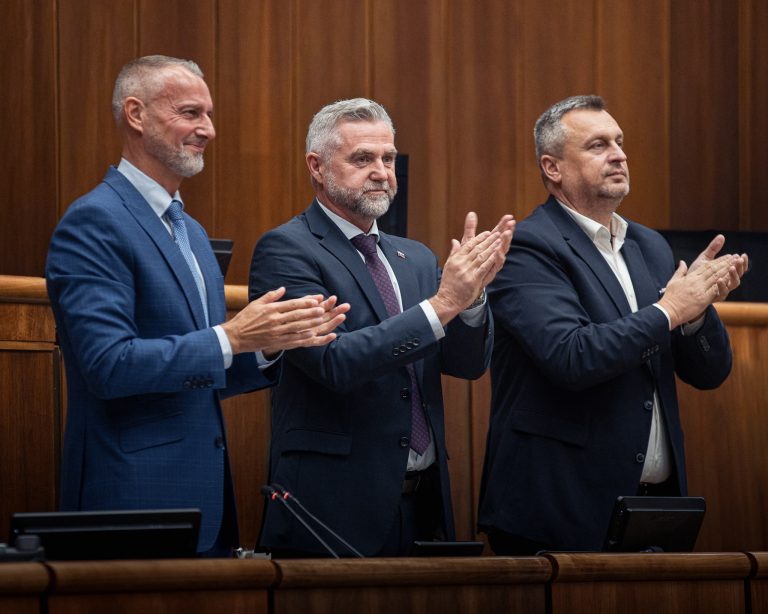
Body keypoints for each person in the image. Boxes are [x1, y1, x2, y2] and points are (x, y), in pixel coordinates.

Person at [45, 55, 348, 557]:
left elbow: (203, 367)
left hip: (206, 503)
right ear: (136, 114)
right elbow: (107, 366)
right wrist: (232, 337)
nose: (207, 129)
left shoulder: (192, 231)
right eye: (190, 112)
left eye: (208, 114)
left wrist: (270, 346)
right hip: (130, 502)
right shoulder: (94, 221)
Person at [477, 95, 748, 554]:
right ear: (553, 167)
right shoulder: (526, 247)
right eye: (598, 145)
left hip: (654, 507)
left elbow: (709, 373)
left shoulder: (650, 246)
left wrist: (697, 314)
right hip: (558, 509)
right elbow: (571, 356)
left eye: (619, 142)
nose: (619, 154)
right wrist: (670, 311)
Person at [249, 98, 515, 557]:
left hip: (424, 499)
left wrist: (470, 301)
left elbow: (467, 365)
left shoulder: (414, 257)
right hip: (334, 506)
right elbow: (334, 363)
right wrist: (444, 303)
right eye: (362, 159)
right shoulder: (287, 250)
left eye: (388, 159)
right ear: (317, 166)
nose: (381, 171)